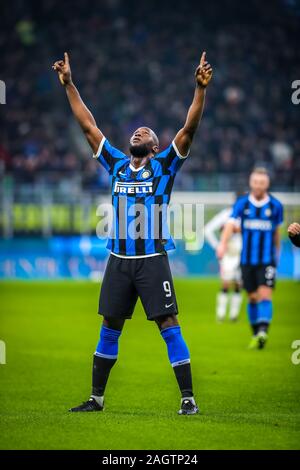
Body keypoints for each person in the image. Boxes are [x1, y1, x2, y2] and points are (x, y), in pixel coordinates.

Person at [52, 51, 213, 415]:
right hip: (118, 260)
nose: (138, 132)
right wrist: (69, 85)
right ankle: (96, 399)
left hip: (153, 260)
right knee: (110, 325)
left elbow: (189, 129)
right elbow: (88, 126)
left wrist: (199, 91)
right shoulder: (116, 164)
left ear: (155, 147)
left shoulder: (166, 167)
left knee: (168, 323)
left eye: (147, 132)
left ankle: (188, 399)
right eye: (136, 130)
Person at [217, 168, 283, 349]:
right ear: (251, 183)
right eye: (255, 182)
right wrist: (222, 244)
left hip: (267, 259)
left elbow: (277, 232)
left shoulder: (276, 206)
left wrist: (278, 252)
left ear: (267, 184)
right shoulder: (242, 203)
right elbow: (230, 225)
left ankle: (263, 331)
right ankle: (256, 333)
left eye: (262, 183)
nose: (258, 186)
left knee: (265, 294)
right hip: (246, 260)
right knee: (252, 297)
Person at [204, 200, 242, 322]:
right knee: (225, 283)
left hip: (241, 253)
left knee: (238, 284)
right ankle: (220, 314)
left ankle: (233, 315)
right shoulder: (226, 215)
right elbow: (207, 229)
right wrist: (218, 245)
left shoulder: (246, 215)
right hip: (228, 254)